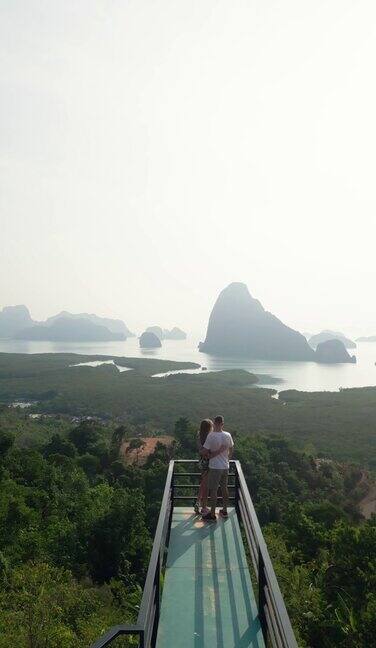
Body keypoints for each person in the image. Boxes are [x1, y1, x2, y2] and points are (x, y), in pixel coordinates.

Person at [201, 415, 234, 521]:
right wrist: (227, 459)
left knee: (214, 490)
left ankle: (212, 513)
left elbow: (205, 451)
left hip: (215, 467)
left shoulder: (211, 436)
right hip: (225, 466)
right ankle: (224, 510)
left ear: (214, 423)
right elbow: (231, 449)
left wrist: (203, 453)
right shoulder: (227, 435)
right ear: (222, 424)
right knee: (224, 488)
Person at [194, 419, 226, 515]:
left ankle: (198, 502)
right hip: (210, 462)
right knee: (206, 485)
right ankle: (203, 506)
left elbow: (201, 450)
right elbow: (209, 451)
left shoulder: (199, 436)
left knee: (203, 483)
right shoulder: (210, 436)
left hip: (202, 462)